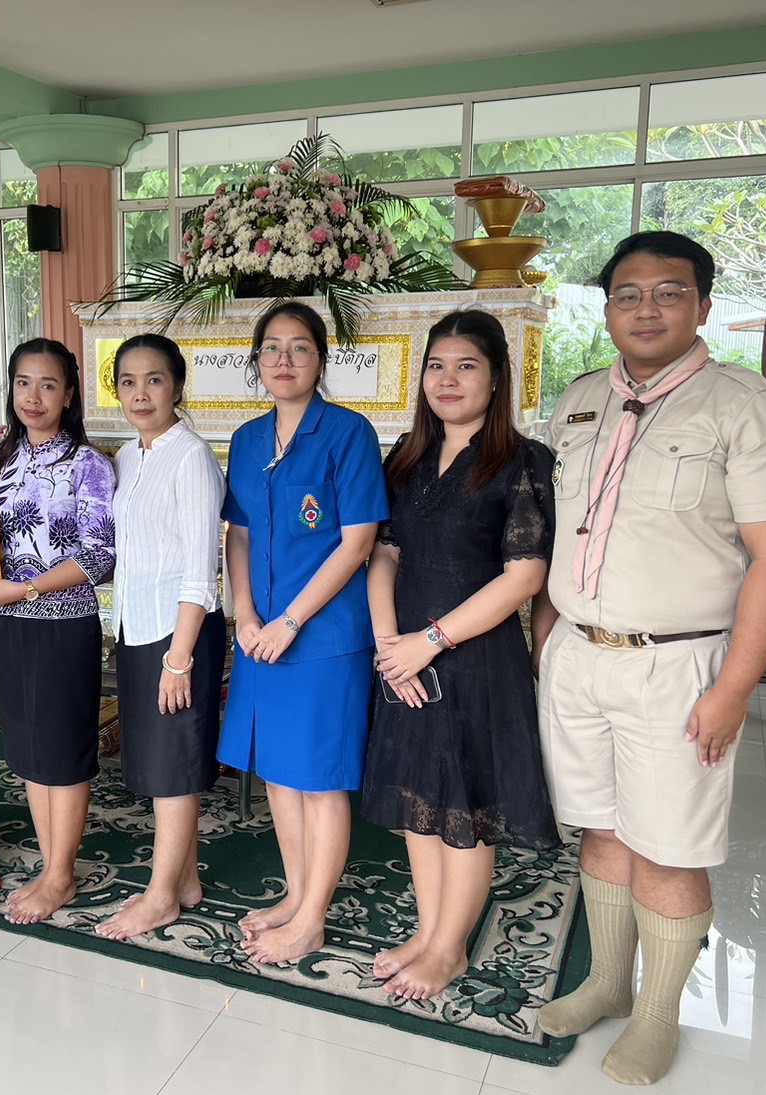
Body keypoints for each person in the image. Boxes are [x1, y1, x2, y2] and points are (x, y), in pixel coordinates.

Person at [532, 231, 766, 1085]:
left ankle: (657, 1016)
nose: (644, 308)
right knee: (601, 828)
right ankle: (608, 984)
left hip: (677, 666)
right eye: (627, 293)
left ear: (698, 305)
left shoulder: (743, 404)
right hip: (578, 657)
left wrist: (733, 688)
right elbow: (551, 530)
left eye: (666, 292)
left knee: (668, 847)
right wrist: (547, 633)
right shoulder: (579, 400)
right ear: (608, 306)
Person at [361, 310, 561, 1000]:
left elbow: (523, 576)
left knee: (465, 809)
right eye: (436, 366)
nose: (447, 380)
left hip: (471, 659)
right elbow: (382, 554)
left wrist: (430, 641)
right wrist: (390, 646)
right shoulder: (406, 457)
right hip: (404, 658)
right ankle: (426, 929)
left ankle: (448, 947)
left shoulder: (521, 461)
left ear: (497, 377)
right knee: (420, 799)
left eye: (466, 366)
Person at [219, 301, 388, 964]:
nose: (282, 361)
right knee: (280, 775)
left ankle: (312, 917)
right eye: (270, 349)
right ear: (255, 360)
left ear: (321, 360)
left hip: (322, 638)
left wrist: (290, 620)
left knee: (318, 779)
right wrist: (245, 613)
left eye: (298, 348)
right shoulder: (247, 440)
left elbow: (357, 543)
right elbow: (238, 534)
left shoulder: (347, 434)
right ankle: (295, 894)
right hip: (261, 635)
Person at [0, 338, 115, 926]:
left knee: (64, 751)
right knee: (29, 751)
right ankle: (50, 862)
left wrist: (28, 589)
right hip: (7, 625)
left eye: (48, 385)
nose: (34, 397)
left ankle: (61, 874)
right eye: (23, 383)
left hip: (63, 626)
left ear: (70, 395)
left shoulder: (88, 465)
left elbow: (100, 556)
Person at [95, 334, 227, 942]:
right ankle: (188, 880)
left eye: (153, 379)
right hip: (137, 626)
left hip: (180, 634)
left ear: (177, 386)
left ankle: (158, 898)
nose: (139, 393)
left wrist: (179, 658)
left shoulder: (192, 456)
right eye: (127, 381)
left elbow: (203, 568)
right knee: (156, 760)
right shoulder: (126, 456)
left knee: (175, 767)